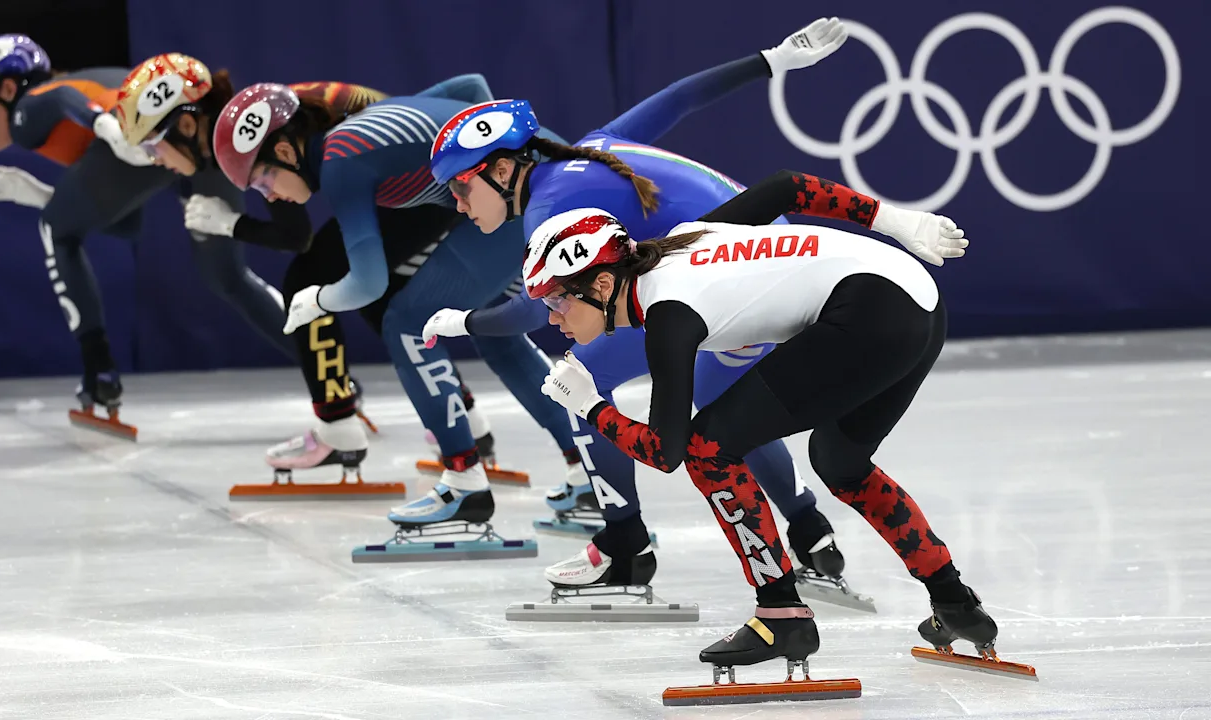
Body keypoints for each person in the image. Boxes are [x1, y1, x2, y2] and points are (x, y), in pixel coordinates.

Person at [424, 18, 883, 601]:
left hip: (741, 278)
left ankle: (623, 548)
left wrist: (464, 321)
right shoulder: (590, 146)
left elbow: (536, 315)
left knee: (577, 378)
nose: (457, 205)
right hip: (771, 272)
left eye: (460, 188)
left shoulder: (551, 206)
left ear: (504, 168)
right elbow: (680, 98)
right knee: (718, 397)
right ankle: (813, 533)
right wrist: (770, 60)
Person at [527, 168, 984, 674]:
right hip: (915, 298)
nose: (553, 317)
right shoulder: (682, 240)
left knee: (709, 449)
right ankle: (955, 601)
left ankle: (781, 613)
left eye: (557, 299)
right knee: (840, 461)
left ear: (604, 282)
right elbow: (785, 188)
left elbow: (667, 452)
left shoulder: (669, 315)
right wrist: (892, 221)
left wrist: (591, 406)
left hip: (872, 310)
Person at [213, 82, 580, 543]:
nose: (267, 196)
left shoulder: (339, 164)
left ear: (286, 150)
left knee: (405, 323)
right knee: (493, 331)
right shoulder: (359, 135)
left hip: (517, 193)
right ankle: (586, 470)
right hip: (536, 180)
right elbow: (470, 88)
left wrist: (317, 300)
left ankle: (465, 482)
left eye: (262, 180)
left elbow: (369, 284)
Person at [114, 53, 497, 482]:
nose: (155, 161)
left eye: (151, 145)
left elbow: (297, 237)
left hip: (415, 189)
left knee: (307, 280)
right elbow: (463, 89)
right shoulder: (254, 119)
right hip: (414, 184)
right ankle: (464, 419)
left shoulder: (246, 134)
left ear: (186, 125)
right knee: (381, 301)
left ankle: (338, 428)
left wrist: (231, 224)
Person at [0, 36, 288, 428]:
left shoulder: (28, 113)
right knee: (229, 277)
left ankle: (100, 373)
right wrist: (46, 195)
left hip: (141, 137)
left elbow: (60, 98)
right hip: (195, 137)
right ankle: (333, 379)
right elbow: (126, 224)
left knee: (56, 231)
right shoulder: (84, 96)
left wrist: (105, 126)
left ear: (8, 89)